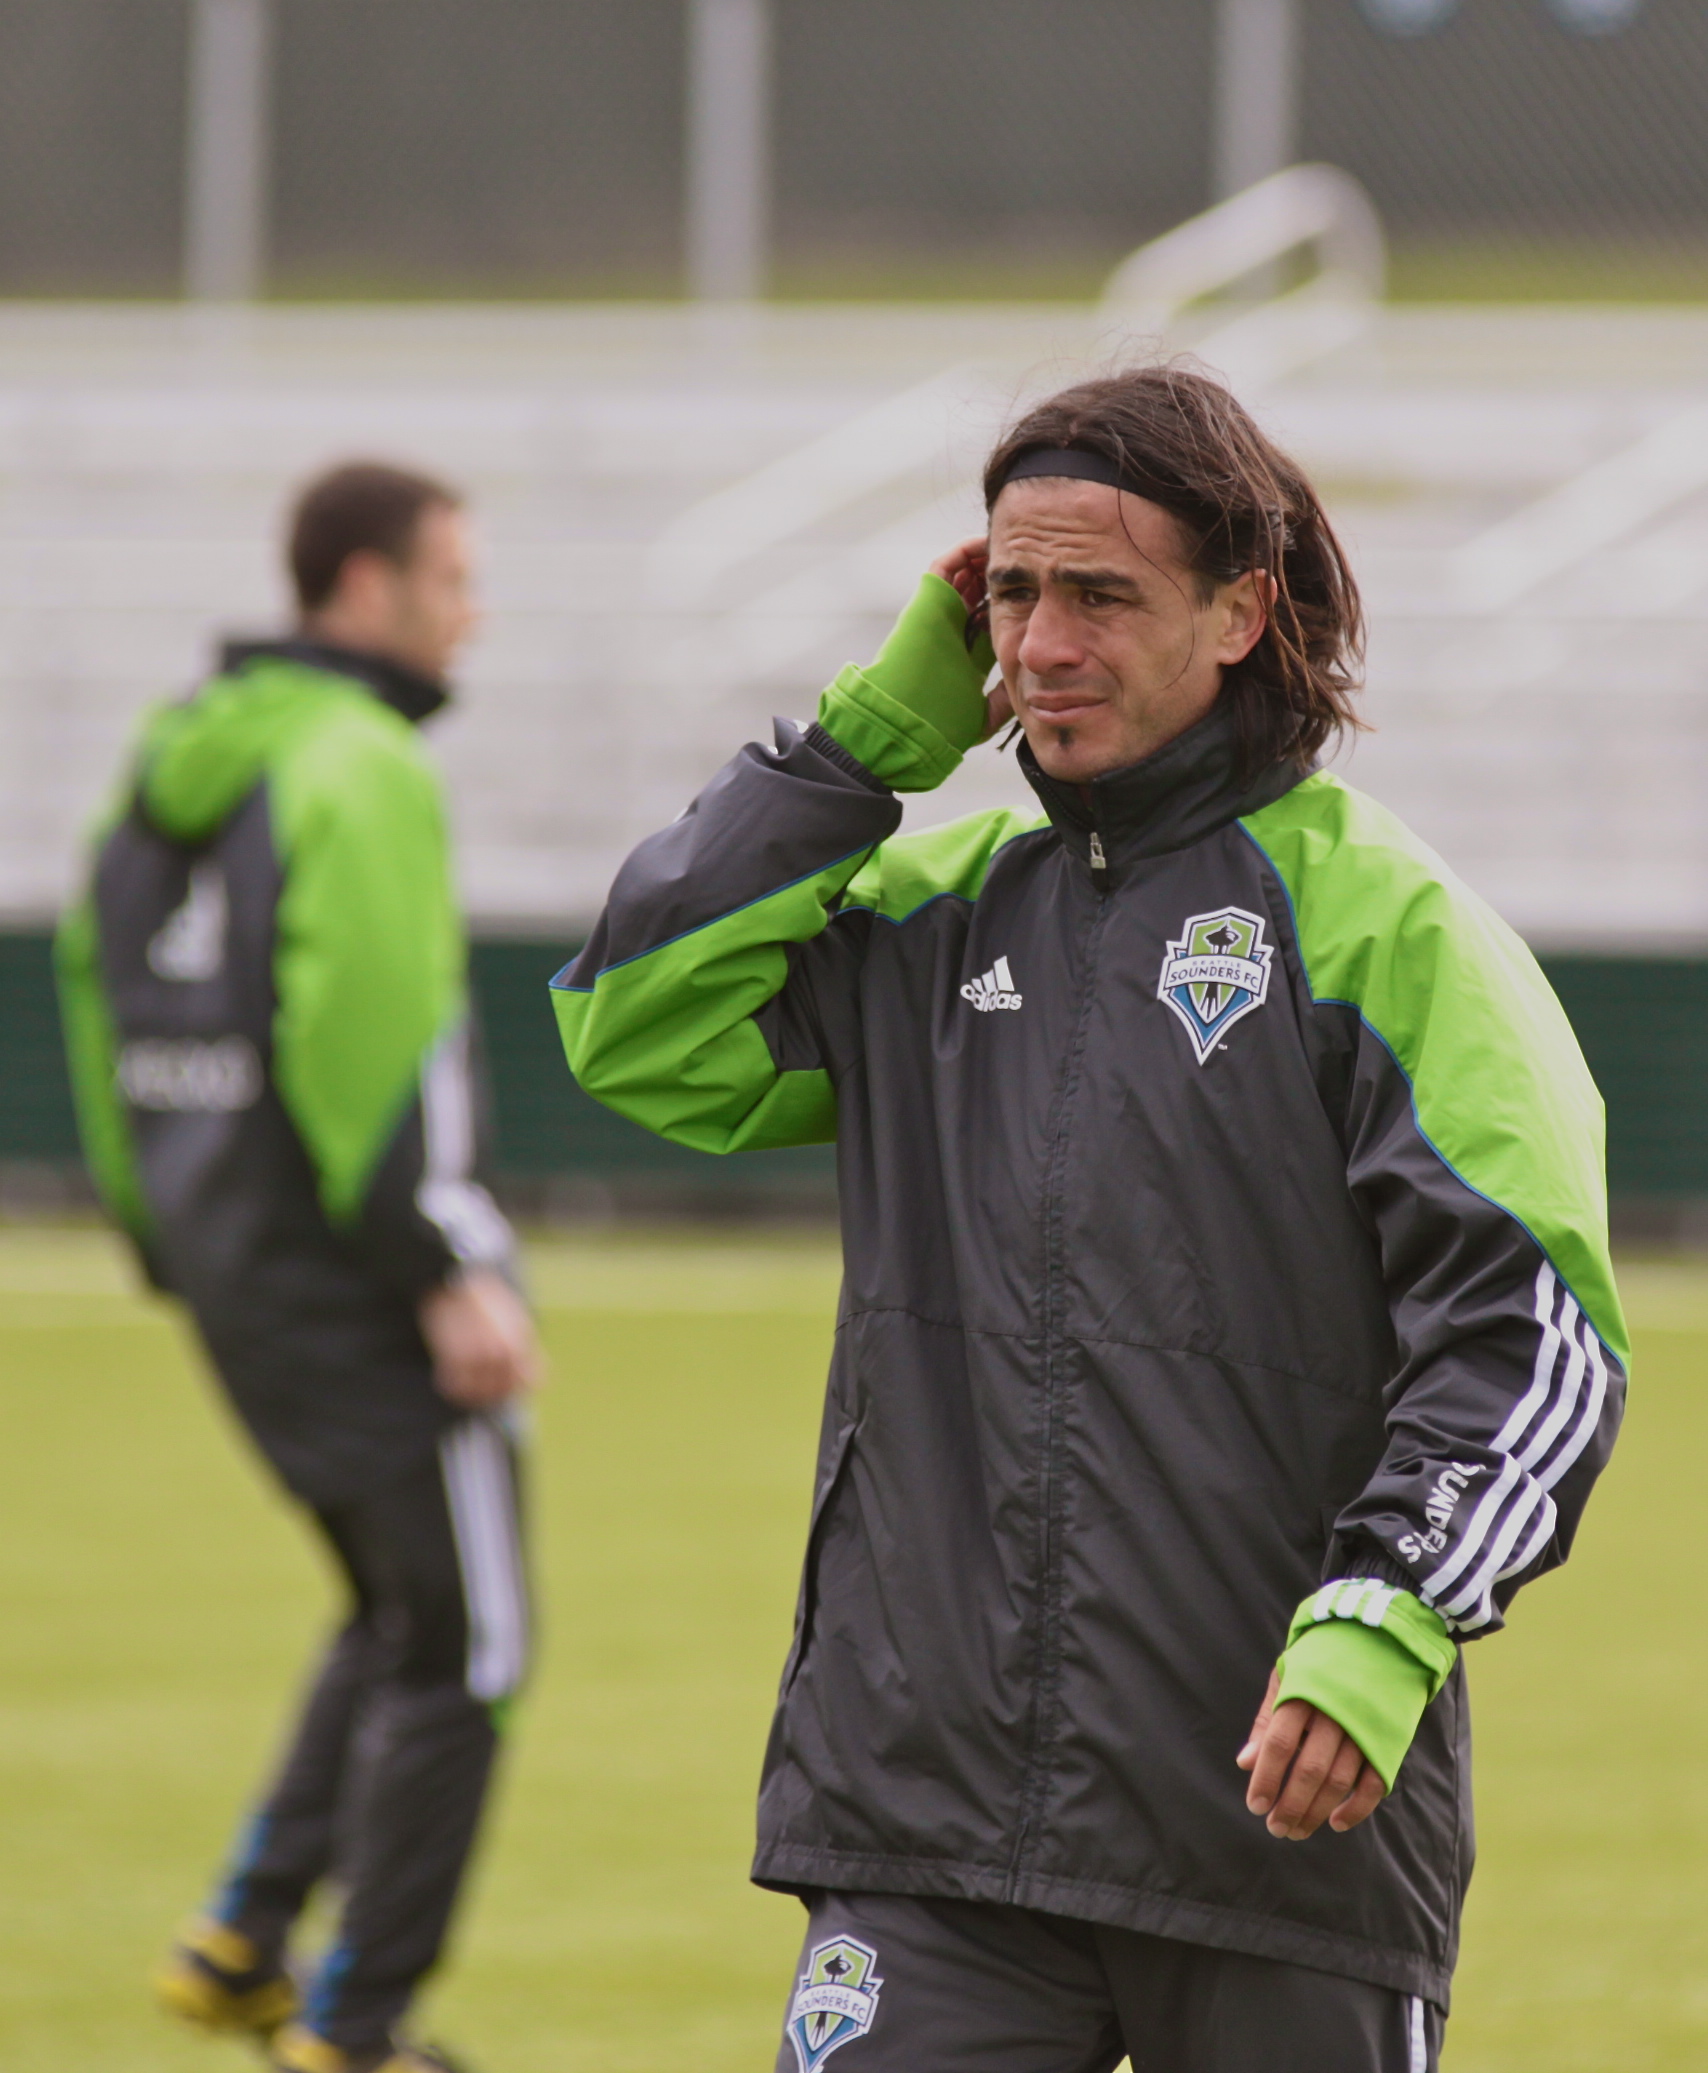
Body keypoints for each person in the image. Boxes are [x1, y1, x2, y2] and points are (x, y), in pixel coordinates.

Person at [553, 368, 1626, 2072]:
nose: (1043, 644)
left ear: (1238, 614)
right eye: (1012, 593)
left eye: (1101, 595)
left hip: (1278, 1826)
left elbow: (1532, 1340)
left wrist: (1386, 1612)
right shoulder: (930, 919)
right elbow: (632, 1021)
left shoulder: (1392, 928)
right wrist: (872, 740)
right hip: (930, 1831)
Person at [57, 461, 539, 2073]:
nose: (474, 613)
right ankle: (358, 2029)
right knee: (471, 1645)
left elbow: (90, 990)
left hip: (232, 1263)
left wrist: (158, 1229)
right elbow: (375, 1042)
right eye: (455, 578)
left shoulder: (168, 763)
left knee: (395, 1605)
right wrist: (446, 1263)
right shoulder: (358, 761)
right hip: (361, 1271)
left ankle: (245, 1936)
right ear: (366, 586)